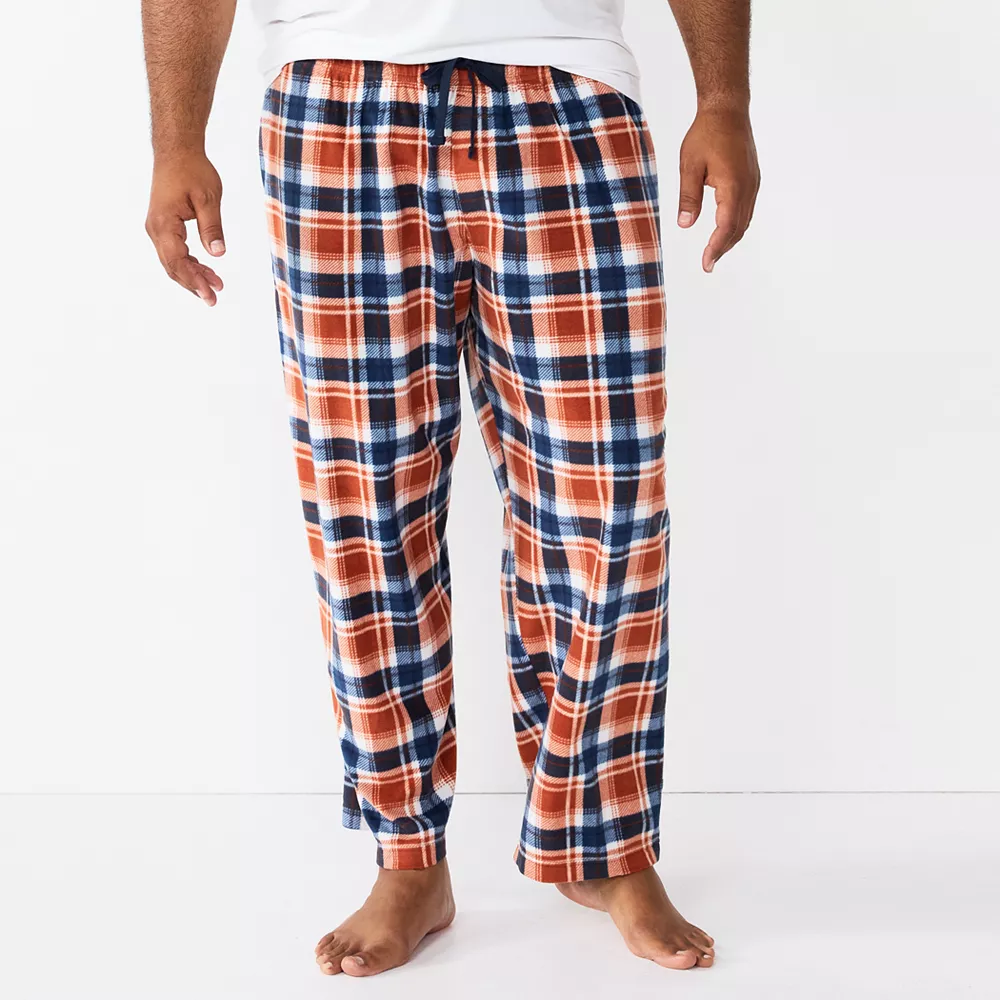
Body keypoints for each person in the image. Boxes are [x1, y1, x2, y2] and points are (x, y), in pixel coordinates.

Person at [142, 0, 759, 978]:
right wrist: (176, 137)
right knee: (365, 505)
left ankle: (605, 845)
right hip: (336, 94)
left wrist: (722, 99)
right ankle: (408, 858)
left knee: (608, 505)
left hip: (566, 89)